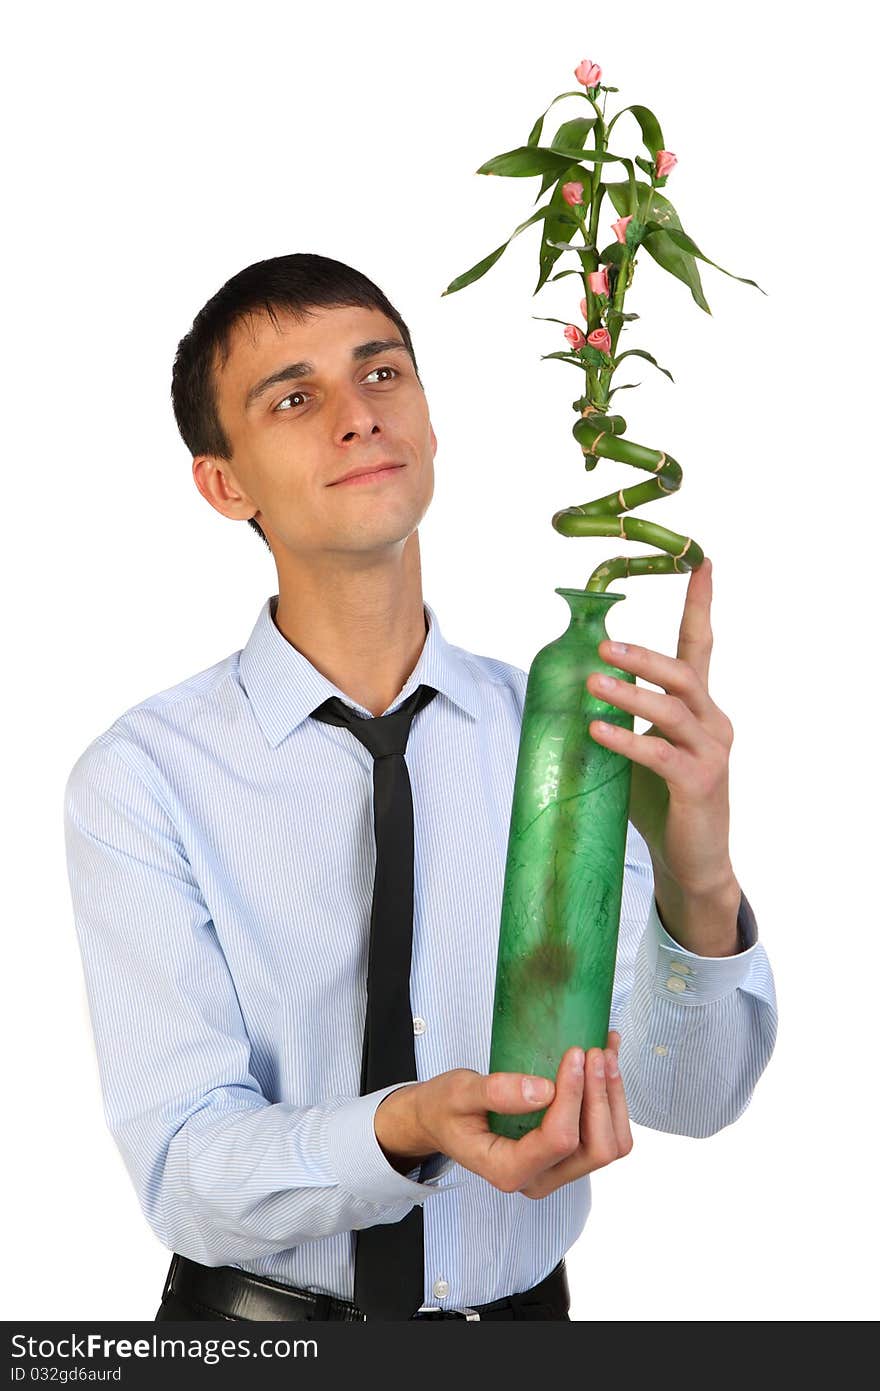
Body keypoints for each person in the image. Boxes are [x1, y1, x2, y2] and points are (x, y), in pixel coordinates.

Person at [63, 253, 778, 1323]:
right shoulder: (144, 777)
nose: (357, 416)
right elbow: (185, 1169)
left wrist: (701, 874)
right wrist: (405, 1124)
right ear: (225, 482)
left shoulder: (565, 732)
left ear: (430, 420)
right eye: (295, 397)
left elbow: (692, 1093)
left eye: (382, 373)